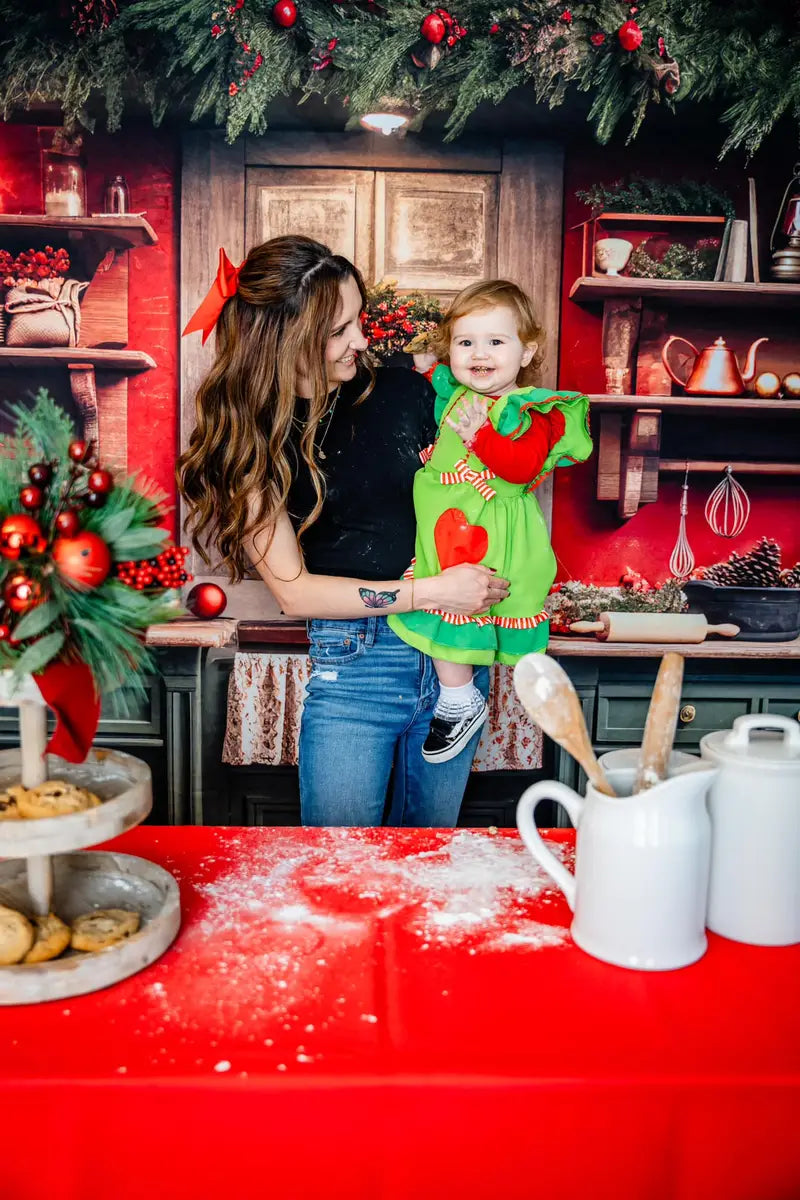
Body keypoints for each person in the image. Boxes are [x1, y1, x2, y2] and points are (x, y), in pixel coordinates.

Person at [178, 236, 508, 826]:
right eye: (338, 329)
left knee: (432, 860)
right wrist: (432, 591)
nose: (361, 340)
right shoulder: (251, 441)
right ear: (280, 341)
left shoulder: (408, 391)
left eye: (359, 320)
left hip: (458, 650)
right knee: (338, 865)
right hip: (358, 667)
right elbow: (294, 591)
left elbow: (495, 476)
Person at [388, 280, 593, 763]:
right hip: (449, 524)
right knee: (442, 600)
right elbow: (437, 386)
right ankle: (457, 697)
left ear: (527, 351)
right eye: (466, 342)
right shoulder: (457, 394)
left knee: (469, 603)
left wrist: (480, 434)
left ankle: (459, 700)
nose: (479, 354)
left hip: (491, 531)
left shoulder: (532, 409)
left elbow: (520, 468)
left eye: (495, 342)